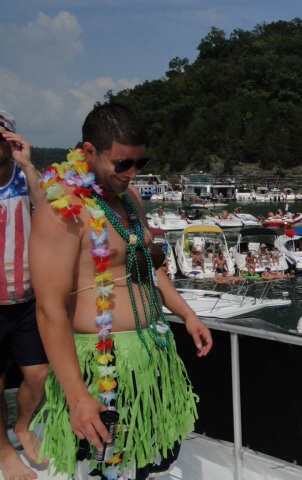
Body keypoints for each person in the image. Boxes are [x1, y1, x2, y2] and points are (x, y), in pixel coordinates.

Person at [29, 104, 213, 479]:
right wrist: (78, 397)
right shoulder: (62, 212)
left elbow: (148, 268)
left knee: (149, 463)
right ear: (89, 151)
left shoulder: (131, 201)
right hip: (101, 366)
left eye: (140, 163)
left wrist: (187, 313)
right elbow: (49, 310)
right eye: (122, 163)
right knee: (105, 469)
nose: (132, 173)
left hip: (152, 355)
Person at [0, 109, 49, 480]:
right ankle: (4, 451)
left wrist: (28, 164)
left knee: (38, 374)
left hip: (27, 298)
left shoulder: (26, 178)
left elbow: (49, 211)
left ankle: (23, 425)